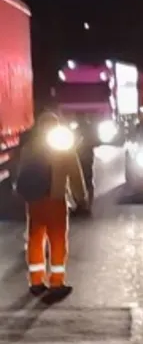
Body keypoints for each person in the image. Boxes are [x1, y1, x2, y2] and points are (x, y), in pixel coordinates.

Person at [15, 112, 89, 297]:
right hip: (55, 200)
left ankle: (36, 281)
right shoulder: (63, 147)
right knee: (57, 241)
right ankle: (56, 282)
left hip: (35, 201)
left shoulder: (30, 147)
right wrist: (81, 199)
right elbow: (75, 175)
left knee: (35, 239)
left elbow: (20, 172)